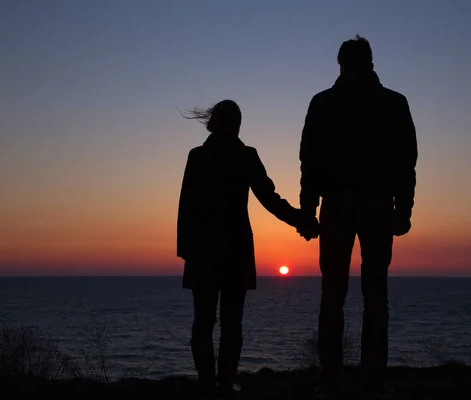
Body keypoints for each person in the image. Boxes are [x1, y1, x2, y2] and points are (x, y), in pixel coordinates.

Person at [298, 36, 418, 399]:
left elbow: (310, 161)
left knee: (332, 295)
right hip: (378, 206)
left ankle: (331, 379)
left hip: (337, 205)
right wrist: (403, 208)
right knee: (375, 296)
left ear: (341, 63)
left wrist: (308, 209)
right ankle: (372, 379)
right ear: (369, 61)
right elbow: (405, 162)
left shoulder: (324, 102)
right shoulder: (394, 103)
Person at [177, 100, 318, 399]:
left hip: (202, 250)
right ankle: (225, 383)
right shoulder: (245, 156)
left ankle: (207, 384)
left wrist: (186, 250)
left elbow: (185, 207)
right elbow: (269, 198)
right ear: (235, 123)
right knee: (231, 321)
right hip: (235, 250)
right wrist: (301, 220)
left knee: (203, 321)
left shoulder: (198, 156)